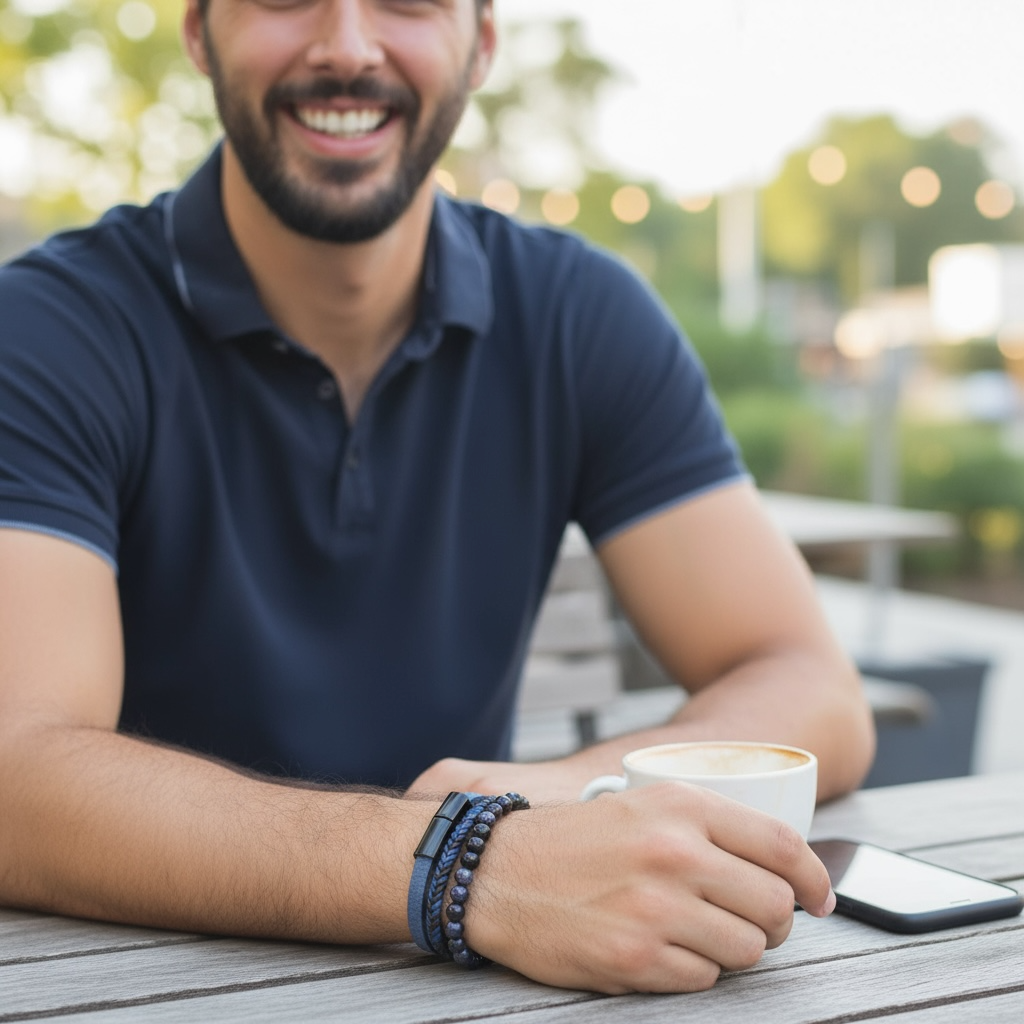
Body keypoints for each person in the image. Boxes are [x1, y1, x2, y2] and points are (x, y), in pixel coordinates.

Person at [0, 0, 874, 995]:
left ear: (480, 42)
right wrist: (467, 862)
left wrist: (556, 796)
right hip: (131, 983)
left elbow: (809, 684)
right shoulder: (47, 332)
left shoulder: (576, 313)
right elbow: (14, 769)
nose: (347, 45)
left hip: (484, 987)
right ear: (199, 31)